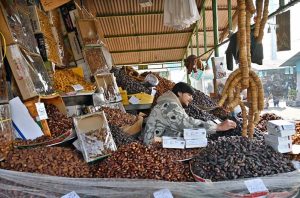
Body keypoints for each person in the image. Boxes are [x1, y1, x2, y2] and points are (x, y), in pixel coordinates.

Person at [143, 82, 237, 145]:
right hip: (153, 143)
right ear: (179, 93)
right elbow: (186, 123)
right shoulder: (169, 105)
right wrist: (217, 127)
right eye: (189, 95)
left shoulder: (171, 103)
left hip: (161, 138)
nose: (191, 98)